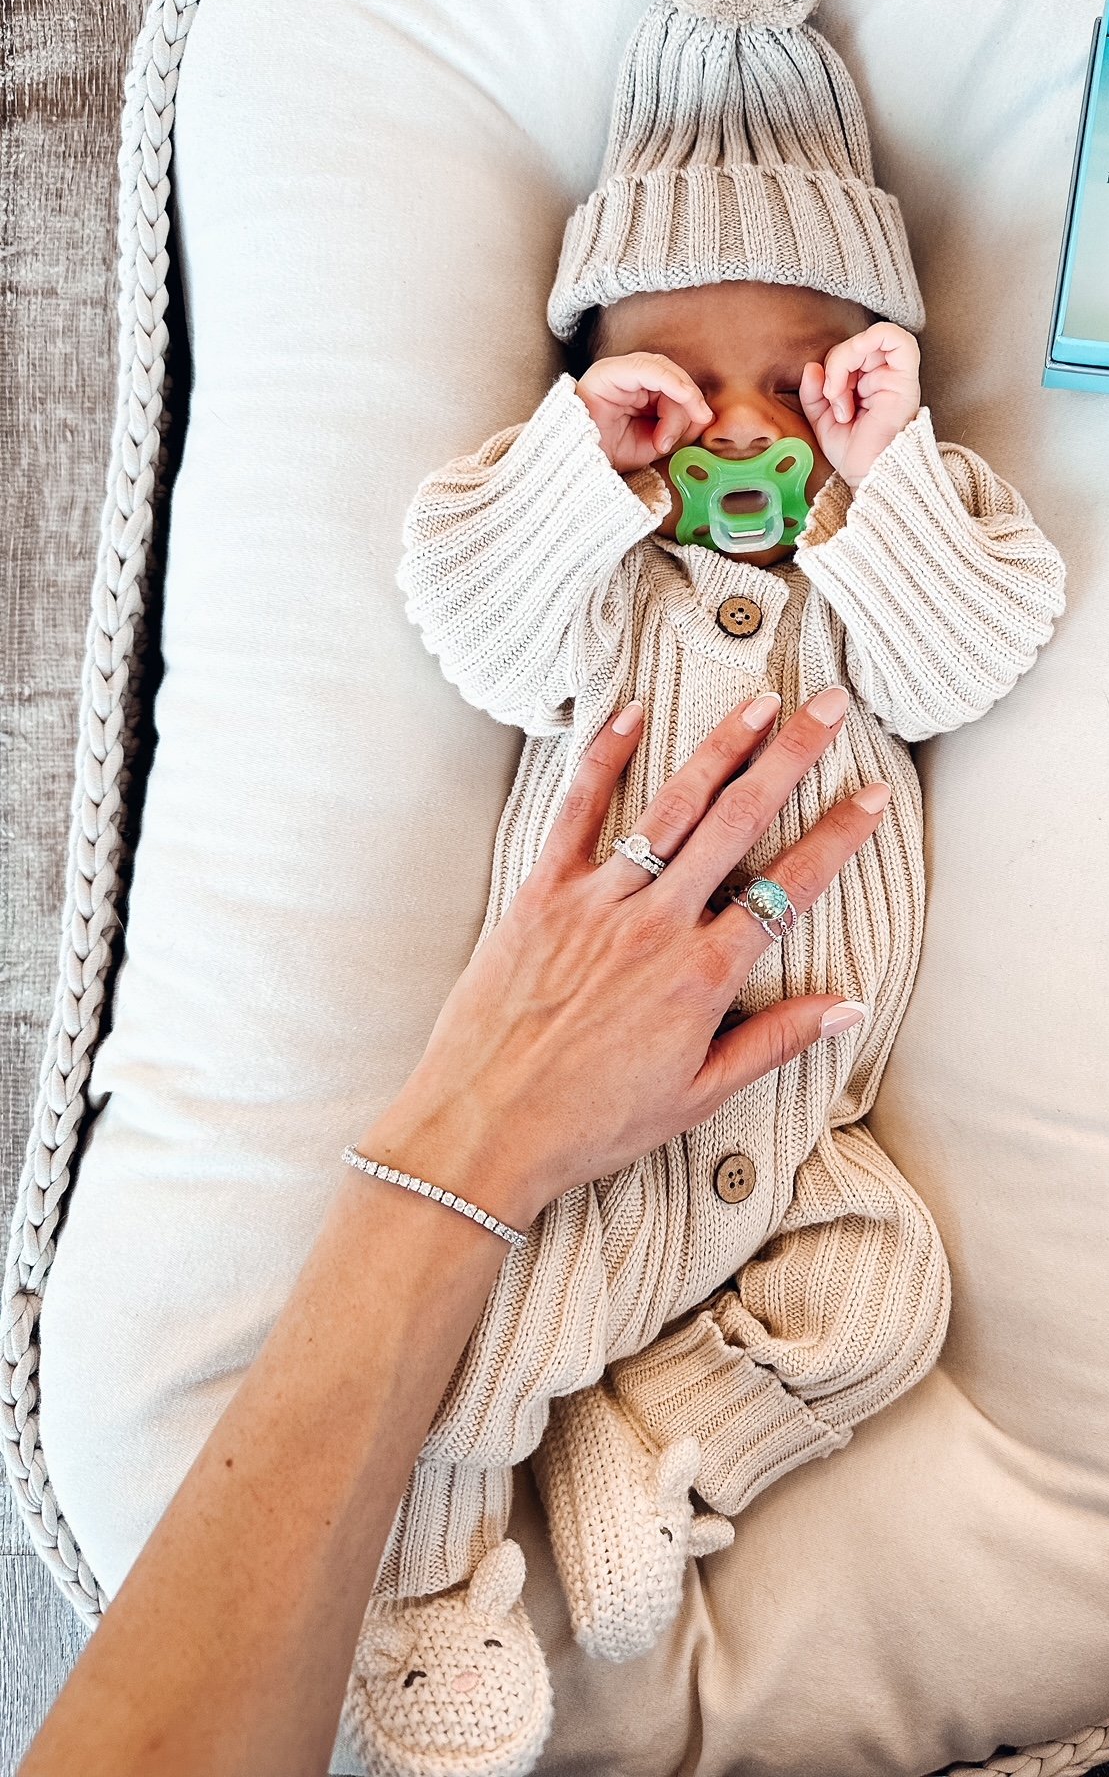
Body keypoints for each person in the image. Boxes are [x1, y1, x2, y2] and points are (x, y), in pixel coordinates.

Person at [352, 0, 1066, 1777]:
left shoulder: (877, 574)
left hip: (803, 1109)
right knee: (483, 1338)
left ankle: (658, 1431)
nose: (742, 431)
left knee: (887, 1292)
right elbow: (472, 629)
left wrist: (893, 479)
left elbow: (969, 663)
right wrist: (586, 469)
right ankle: (419, 1598)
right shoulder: (604, 583)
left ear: (872, 384)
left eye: (803, 378)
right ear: (601, 381)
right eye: (680, 383)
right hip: (588, 1107)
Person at [19, 687, 892, 1777]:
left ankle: (664, 1429)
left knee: (889, 1290)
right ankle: (437, 1575)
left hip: (774, 1122)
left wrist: (484, 1114)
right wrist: (484, 1129)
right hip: (618, 1142)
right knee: (513, 1337)